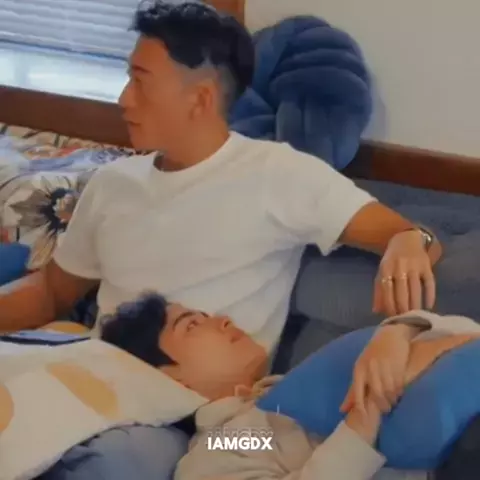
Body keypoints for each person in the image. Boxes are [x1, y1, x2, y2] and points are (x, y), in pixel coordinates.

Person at [0, 0, 442, 478]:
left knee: (117, 463)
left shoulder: (278, 173)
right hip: (99, 377)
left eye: (141, 82)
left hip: (205, 421)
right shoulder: (114, 184)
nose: (124, 99)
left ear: (201, 98)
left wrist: (407, 240)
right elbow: (51, 291)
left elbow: (410, 236)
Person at [96, 294, 480, 480]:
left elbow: (468, 337)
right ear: (168, 378)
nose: (223, 320)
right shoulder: (224, 441)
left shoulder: (292, 386)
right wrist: (367, 409)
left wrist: (398, 333)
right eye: (193, 326)